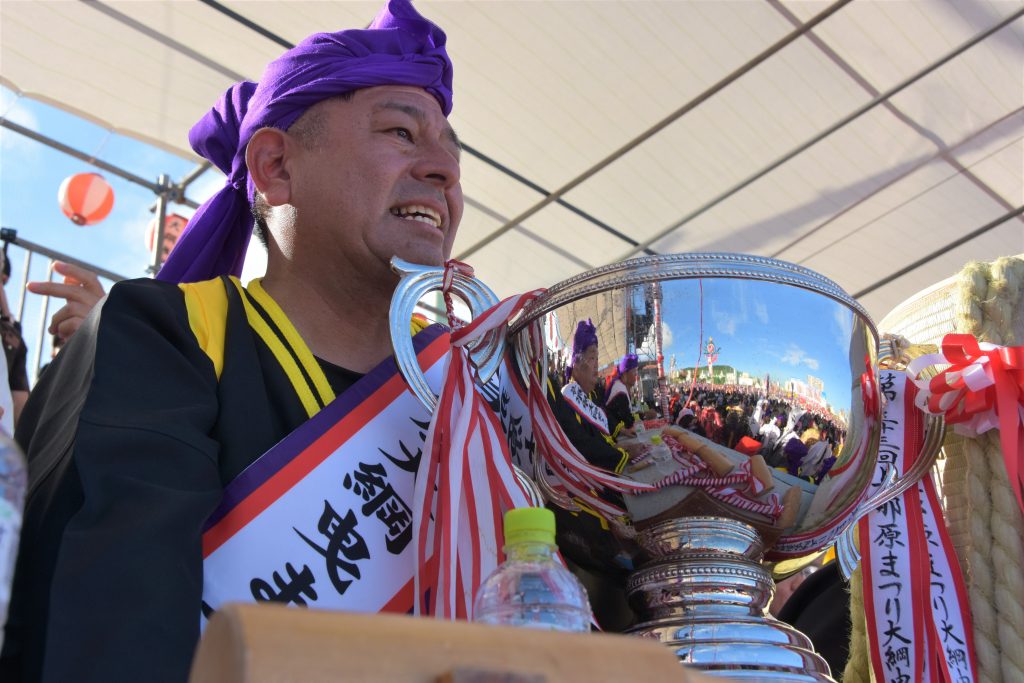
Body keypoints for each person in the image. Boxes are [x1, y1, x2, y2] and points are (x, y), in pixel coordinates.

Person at [2, 2, 460, 681]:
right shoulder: (165, 337)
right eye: (401, 130)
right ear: (275, 166)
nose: (445, 170)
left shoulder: (468, 380)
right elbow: (108, 638)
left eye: (452, 151)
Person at [603, 353, 639, 437]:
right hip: (612, 437)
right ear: (625, 374)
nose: (636, 375)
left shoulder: (620, 385)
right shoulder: (620, 391)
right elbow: (628, 422)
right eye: (634, 371)